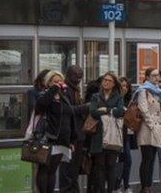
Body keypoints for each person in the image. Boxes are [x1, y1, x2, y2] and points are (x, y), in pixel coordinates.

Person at [33, 70, 76, 193]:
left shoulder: (64, 97)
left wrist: (72, 139)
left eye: (60, 81)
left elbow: (70, 117)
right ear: (49, 83)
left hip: (62, 139)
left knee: (53, 170)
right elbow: (39, 107)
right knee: (44, 169)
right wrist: (52, 90)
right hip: (48, 137)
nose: (58, 83)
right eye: (55, 81)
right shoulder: (44, 95)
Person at [89, 72, 126, 193]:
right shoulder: (96, 96)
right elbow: (93, 112)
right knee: (99, 166)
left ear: (114, 83)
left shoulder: (118, 97)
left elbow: (121, 112)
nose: (106, 82)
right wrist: (111, 111)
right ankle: (100, 190)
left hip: (112, 135)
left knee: (111, 166)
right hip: (98, 134)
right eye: (105, 80)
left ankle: (110, 190)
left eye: (109, 81)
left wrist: (106, 109)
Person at [135, 68, 161, 193]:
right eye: (153, 75)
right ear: (147, 77)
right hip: (147, 129)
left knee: (152, 158)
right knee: (146, 158)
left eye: (157, 75)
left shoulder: (157, 91)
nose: (156, 78)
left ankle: (149, 185)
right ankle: (145, 187)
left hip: (157, 128)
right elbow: (143, 109)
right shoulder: (143, 90)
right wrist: (152, 125)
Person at [60, 65, 89, 193]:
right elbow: (65, 110)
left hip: (78, 134)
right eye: (75, 76)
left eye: (80, 77)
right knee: (67, 170)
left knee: (75, 170)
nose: (78, 79)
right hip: (69, 136)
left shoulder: (76, 89)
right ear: (67, 75)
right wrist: (84, 108)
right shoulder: (64, 90)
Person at [115, 77, 135, 192]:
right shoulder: (115, 100)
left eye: (126, 86)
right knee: (119, 161)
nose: (124, 88)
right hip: (116, 134)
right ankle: (117, 186)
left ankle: (126, 185)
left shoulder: (129, 101)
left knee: (127, 160)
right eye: (122, 85)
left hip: (126, 135)